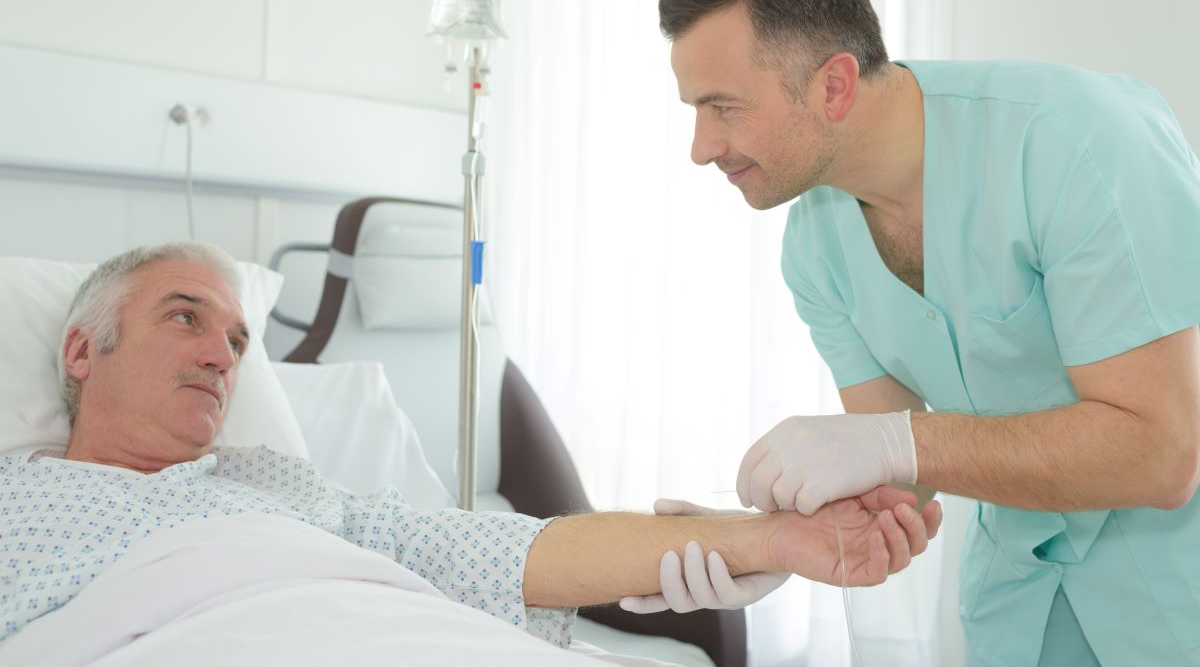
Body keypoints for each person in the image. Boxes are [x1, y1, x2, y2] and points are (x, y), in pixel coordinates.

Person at [634, 0, 1200, 666]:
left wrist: (898, 439)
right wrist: (770, 541)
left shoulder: (1073, 144)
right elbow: (895, 482)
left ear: (833, 84)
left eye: (724, 106)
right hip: (1018, 599)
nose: (701, 147)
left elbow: (1162, 453)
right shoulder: (815, 246)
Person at [0, 242, 940, 649]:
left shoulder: (287, 490)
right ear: (83, 348)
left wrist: (774, 538)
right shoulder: (14, 498)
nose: (223, 354)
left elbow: (511, 549)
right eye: (184, 318)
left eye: (240, 340)